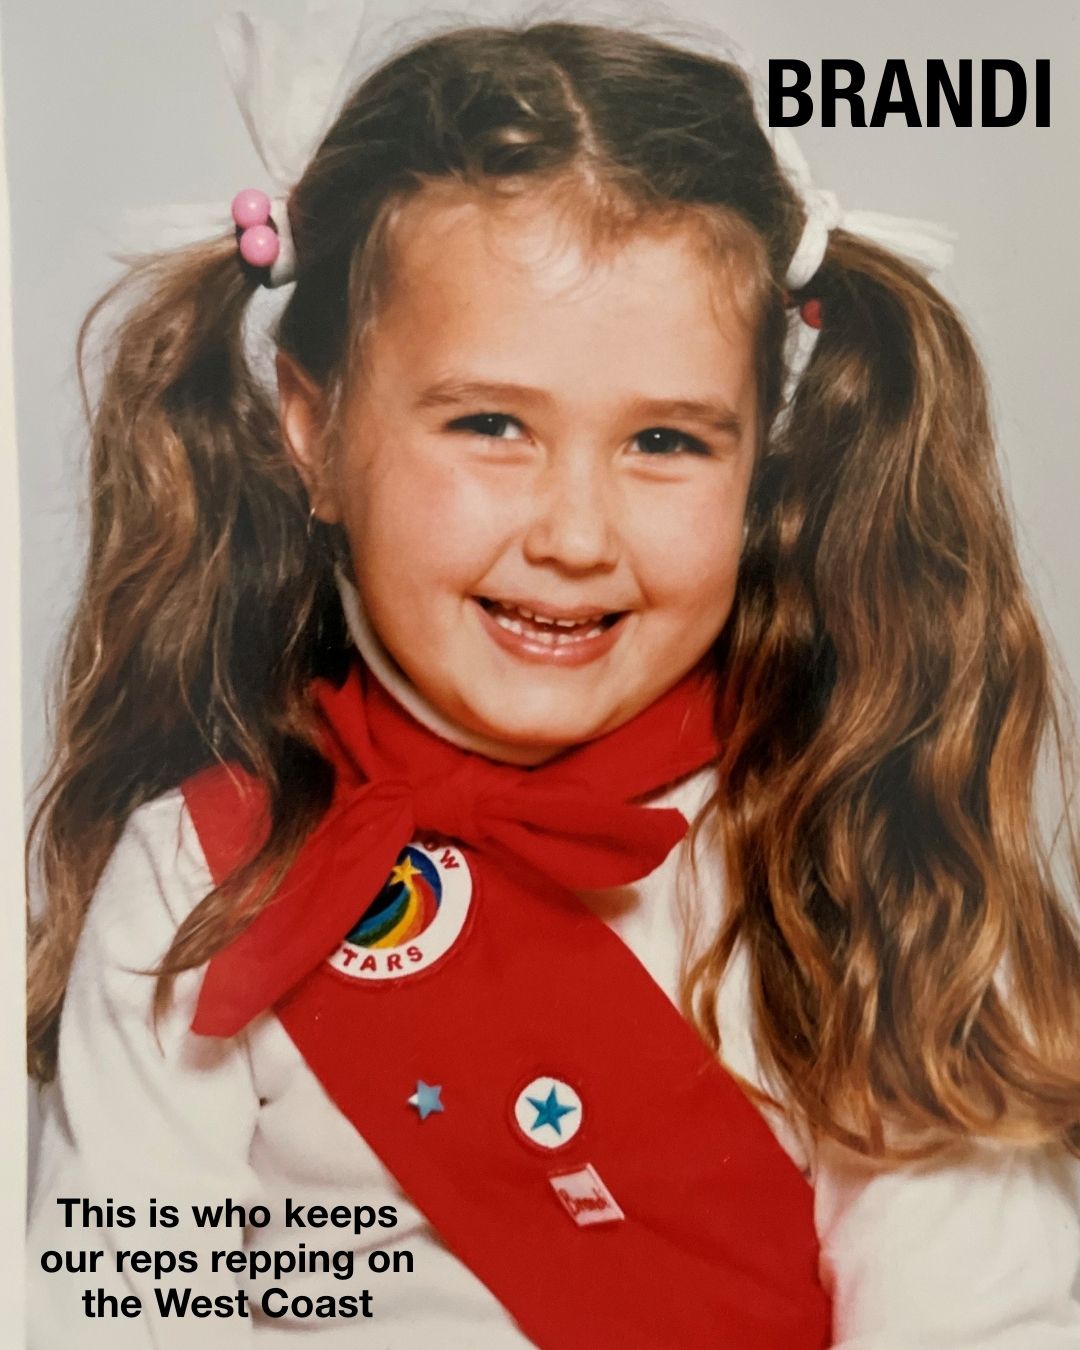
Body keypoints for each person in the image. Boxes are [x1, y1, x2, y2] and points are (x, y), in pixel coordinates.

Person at [24, 14, 1080, 1349]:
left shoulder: (865, 846)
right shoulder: (197, 875)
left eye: (665, 441)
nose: (576, 535)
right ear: (316, 432)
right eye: (491, 424)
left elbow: (977, 1324)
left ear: (762, 464)